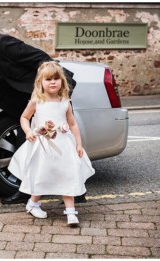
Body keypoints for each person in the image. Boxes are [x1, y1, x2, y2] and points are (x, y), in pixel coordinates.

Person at [0, 30, 85, 204]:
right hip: (29, 103)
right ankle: (26, 190)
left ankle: (78, 192)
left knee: (66, 146)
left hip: (51, 97)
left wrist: (52, 93)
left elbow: (41, 59)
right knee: (27, 145)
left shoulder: (2, 45)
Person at [6, 61, 95, 226]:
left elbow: (73, 124)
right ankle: (33, 203)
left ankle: (70, 212)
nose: (53, 82)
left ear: (62, 81)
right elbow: (24, 118)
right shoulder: (36, 101)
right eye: (48, 79)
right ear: (40, 82)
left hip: (64, 146)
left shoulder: (64, 101)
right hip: (43, 146)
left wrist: (78, 144)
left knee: (68, 174)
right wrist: (29, 132)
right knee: (42, 175)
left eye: (56, 78)